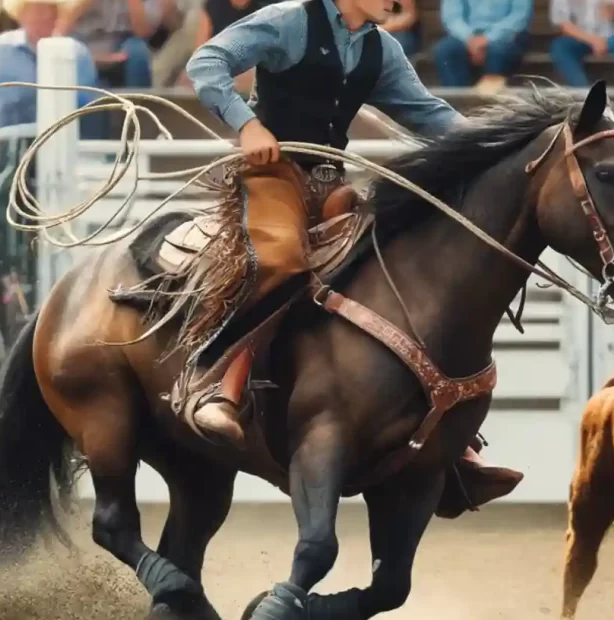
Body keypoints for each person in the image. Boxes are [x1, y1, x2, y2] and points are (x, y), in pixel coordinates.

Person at [185, 0, 522, 500]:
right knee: (279, 259)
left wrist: (498, 148)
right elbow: (206, 61)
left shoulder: (379, 48)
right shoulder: (288, 20)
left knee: (397, 269)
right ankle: (218, 386)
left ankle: (449, 436)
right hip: (272, 177)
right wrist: (246, 124)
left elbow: (425, 112)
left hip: (332, 184)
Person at [0, 0, 105, 139]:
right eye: (38, 10)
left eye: (51, 9)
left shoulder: (77, 53)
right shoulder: (0, 49)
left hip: (59, 141)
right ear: (22, 14)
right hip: (5, 143)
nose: (45, 16)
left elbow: (86, 108)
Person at [431, 0, 532, 94]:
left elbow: (519, 16)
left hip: (506, 35)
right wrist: (470, 38)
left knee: (497, 51)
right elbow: (452, 17)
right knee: (446, 51)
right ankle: (456, 105)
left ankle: (493, 106)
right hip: (467, 35)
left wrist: (488, 38)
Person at [53, 0, 161, 88]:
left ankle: (138, 109)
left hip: (121, 44)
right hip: (85, 45)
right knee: (77, 59)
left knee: (138, 50)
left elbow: (143, 32)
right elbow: (60, 29)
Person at [548, 0, 614, 87]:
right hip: (584, 38)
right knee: (560, 46)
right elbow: (563, 24)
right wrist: (594, 41)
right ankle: (584, 94)